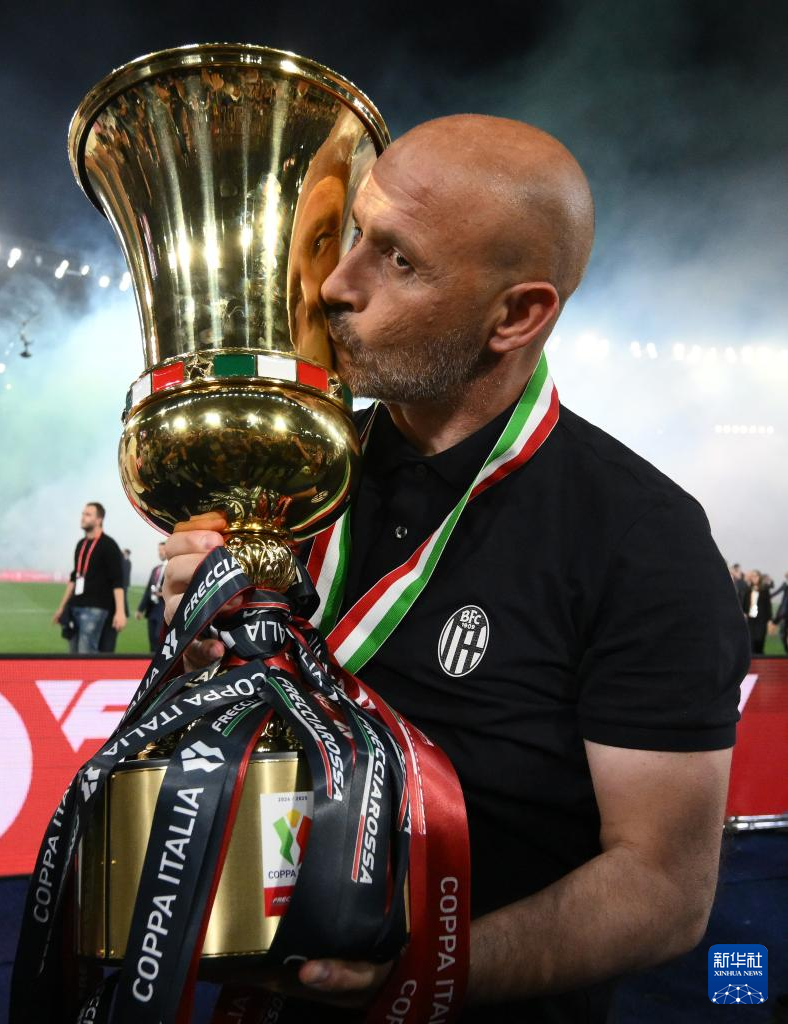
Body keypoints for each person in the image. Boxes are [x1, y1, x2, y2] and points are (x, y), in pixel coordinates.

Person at [161, 115, 749, 1023]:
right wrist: (201, 654)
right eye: (356, 234)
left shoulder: (642, 540)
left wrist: (418, 973)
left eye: (398, 260)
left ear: (515, 315)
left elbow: (662, 888)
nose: (335, 283)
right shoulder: (289, 480)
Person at [52, 502, 126, 654]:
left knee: (86, 654)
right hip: (75, 606)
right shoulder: (81, 544)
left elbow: (117, 581)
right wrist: (61, 607)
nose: (83, 517)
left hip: (96, 608)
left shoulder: (109, 545)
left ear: (99, 520)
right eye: (83, 514)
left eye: (88, 514)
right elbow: (74, 577)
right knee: (73, 655)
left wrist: (120, 612)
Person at [135, 541, 167, 653]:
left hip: (164, 609)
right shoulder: (156, 569)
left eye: (162, 550)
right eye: (159, 550)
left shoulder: (173, 568)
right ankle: (151, 661)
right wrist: (140, 609)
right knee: (152, 639)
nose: (160, 552)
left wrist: (164, 594)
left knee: (159, 639)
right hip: (152, 609)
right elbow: (148, 590)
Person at [742, 568, 771, 655]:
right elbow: (744, 604)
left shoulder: (764, 590)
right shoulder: (747, 590)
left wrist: (769, 620)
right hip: (751, 619)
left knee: (759, 640)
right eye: (753, 576)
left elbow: (768, 605)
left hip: (761, 620)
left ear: (759, 577)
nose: (754, 578)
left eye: (756, 576)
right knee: (751, 641)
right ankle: (753, 660)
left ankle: (760, 658)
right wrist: (744, 613)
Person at [771, 570, 788, 654]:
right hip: (784, 614)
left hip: (784, 613)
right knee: (782, 633)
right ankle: (786, 650)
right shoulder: (785, 584)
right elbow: (776, 592)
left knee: (782, 633)